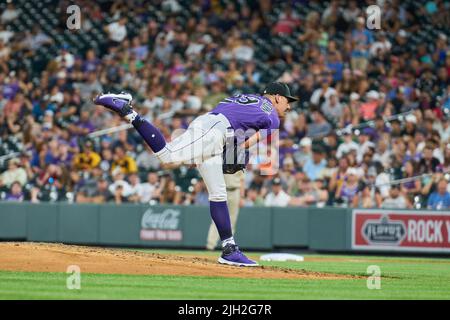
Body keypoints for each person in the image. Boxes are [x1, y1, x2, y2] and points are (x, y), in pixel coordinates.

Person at [94, 82, 298, 267]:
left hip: (212, 127)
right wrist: (231, 152)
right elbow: (245, 144)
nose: (288, 107)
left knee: (218, 194)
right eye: (287, 101)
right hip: (216, 132)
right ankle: (127, 110)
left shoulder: (246, 98)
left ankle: (229, 249)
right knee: (167, 156)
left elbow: (228, 118)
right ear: (277, 97)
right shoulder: (272, 117)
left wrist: (206, 150)